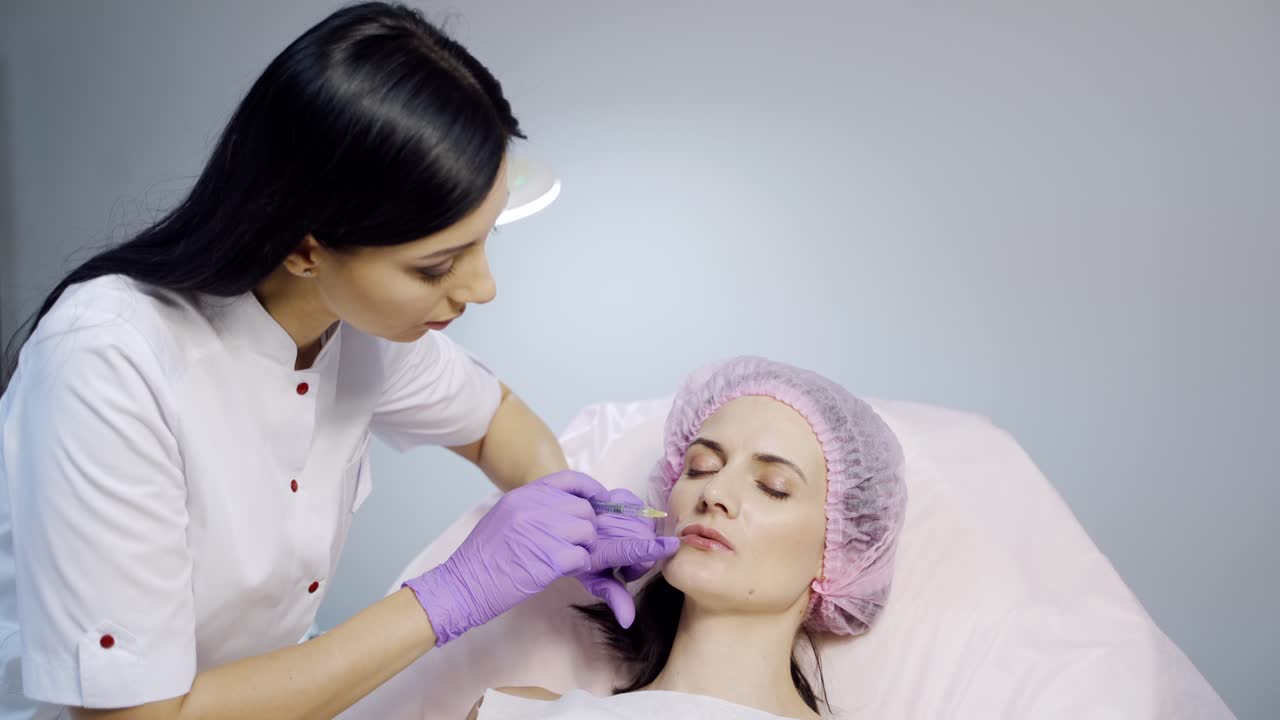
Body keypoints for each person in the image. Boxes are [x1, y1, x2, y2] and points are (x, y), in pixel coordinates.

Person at [0, 4, 676, 719]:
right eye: (437, 265)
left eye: (484, 241)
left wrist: (570, 510)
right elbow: (136, 718)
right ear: (304, 247)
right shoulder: (111, 362)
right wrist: (453, 592)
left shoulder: (352, 329)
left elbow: (493, 421)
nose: (482, 288)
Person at [468, 357, 908, 720]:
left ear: (840, 558)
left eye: (772, 486)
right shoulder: (513, 713)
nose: (713, 494)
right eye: (699, 467)